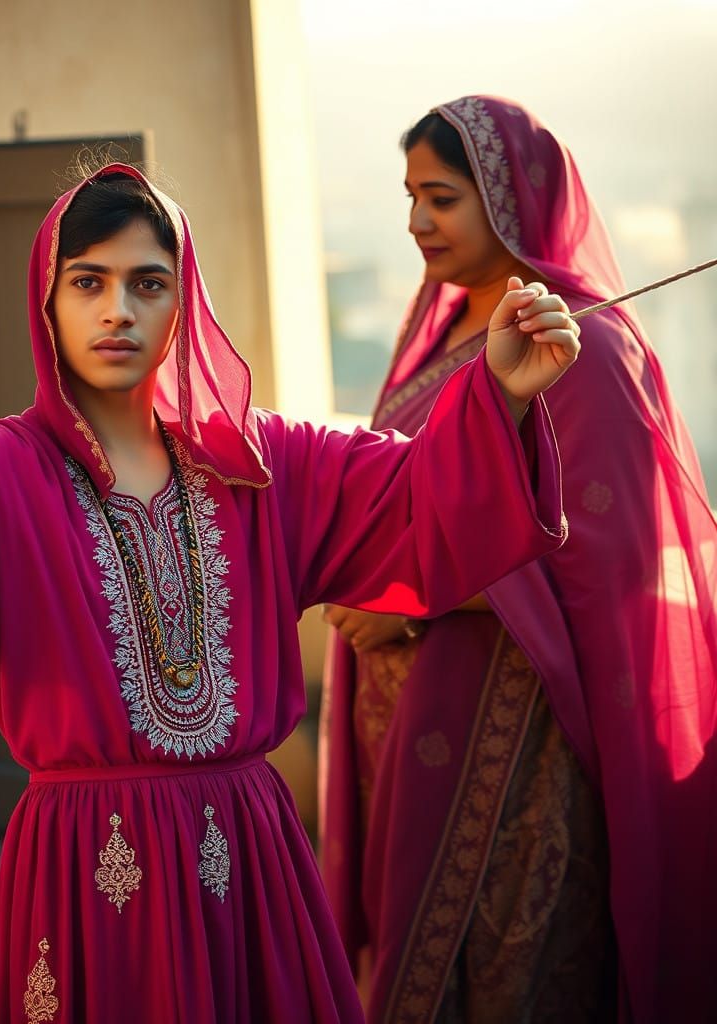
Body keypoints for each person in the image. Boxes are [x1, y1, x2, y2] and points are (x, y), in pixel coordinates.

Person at [0, 162, 579, 1024]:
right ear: (47, 303)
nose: (117, 311)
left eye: (149, 284)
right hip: (89, 873)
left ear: (186, 303)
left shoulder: (260, 464)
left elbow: (419, 496)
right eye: (88, 283)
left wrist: (502, 393)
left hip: (249, 859)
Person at [320, 96, 717, 1024]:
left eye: (443, 197)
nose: (418, 222)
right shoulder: (445, 336)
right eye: (410, 195)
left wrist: (414, 601)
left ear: (514, 201)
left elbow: (607, 562)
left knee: (510, 978)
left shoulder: (585, 349)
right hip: (404, 732)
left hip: (515, 744)